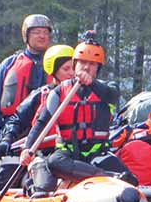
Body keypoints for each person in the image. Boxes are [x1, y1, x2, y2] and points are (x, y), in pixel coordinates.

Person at [21, 33, 137, 193]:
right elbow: (42, 123)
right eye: (82, 62)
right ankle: (103, 177)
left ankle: (104, 177)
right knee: (54, 162)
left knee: (132, 180)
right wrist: (28, 148)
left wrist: (92, 83)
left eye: (92, 64)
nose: (86, 67)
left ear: (98, 68)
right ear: (75, 64)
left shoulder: (108, 89)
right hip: (67, 154)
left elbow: (113, 96)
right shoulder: (59, 92)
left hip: (98, 154)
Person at [0, 44, 75, 193]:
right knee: (7, 181)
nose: (72, 73)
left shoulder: (86, 94)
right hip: (43, 153)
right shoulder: (40, 94)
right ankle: (27, 182)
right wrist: (7, 139)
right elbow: (17, 119)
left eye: (74, 68)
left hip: (71, 153)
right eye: (66, 69)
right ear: (53, 71)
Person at [0, 13, 53, 151]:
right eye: (36, 32)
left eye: (45, 32)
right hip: (13, 133)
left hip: (48, 132)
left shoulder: (59, 64)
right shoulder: (9, 64)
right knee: (3, 172)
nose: (42, 36)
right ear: (26, 36)